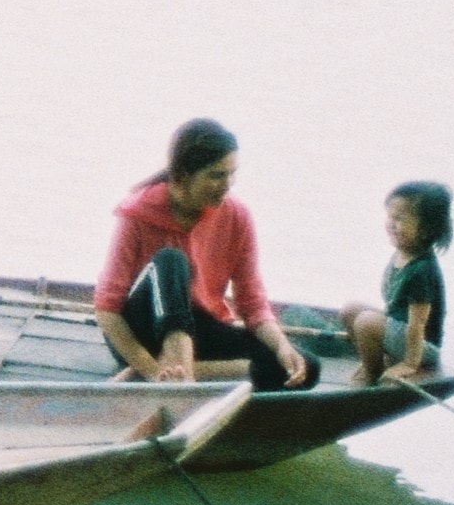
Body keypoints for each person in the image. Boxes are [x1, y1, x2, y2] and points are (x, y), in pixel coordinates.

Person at [95, 119, 314, 390]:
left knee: (304, 366)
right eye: (217, 175)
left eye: (232, 174)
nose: (228, 184)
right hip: (141, 332)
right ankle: (172, 374)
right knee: (170, 260)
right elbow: (107, 309)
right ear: (184, 175)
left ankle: (173, 374)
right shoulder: (137, 214)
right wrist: (150, 368)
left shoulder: (237, 216)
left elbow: (252, 301)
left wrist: (282, 346)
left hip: (197, 325)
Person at [344, 181, 453, 387]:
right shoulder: (402, 252)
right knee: (351, 310)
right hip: (401, 330)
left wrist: (410, 364)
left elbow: (417, 324)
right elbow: (394, 304)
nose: (391, 224)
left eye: (400, 219)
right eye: (390, 217)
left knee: (366, 322)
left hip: (422, 345)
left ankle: (372, 374)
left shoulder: (422, 270)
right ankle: (376, 360)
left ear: (426, 229)